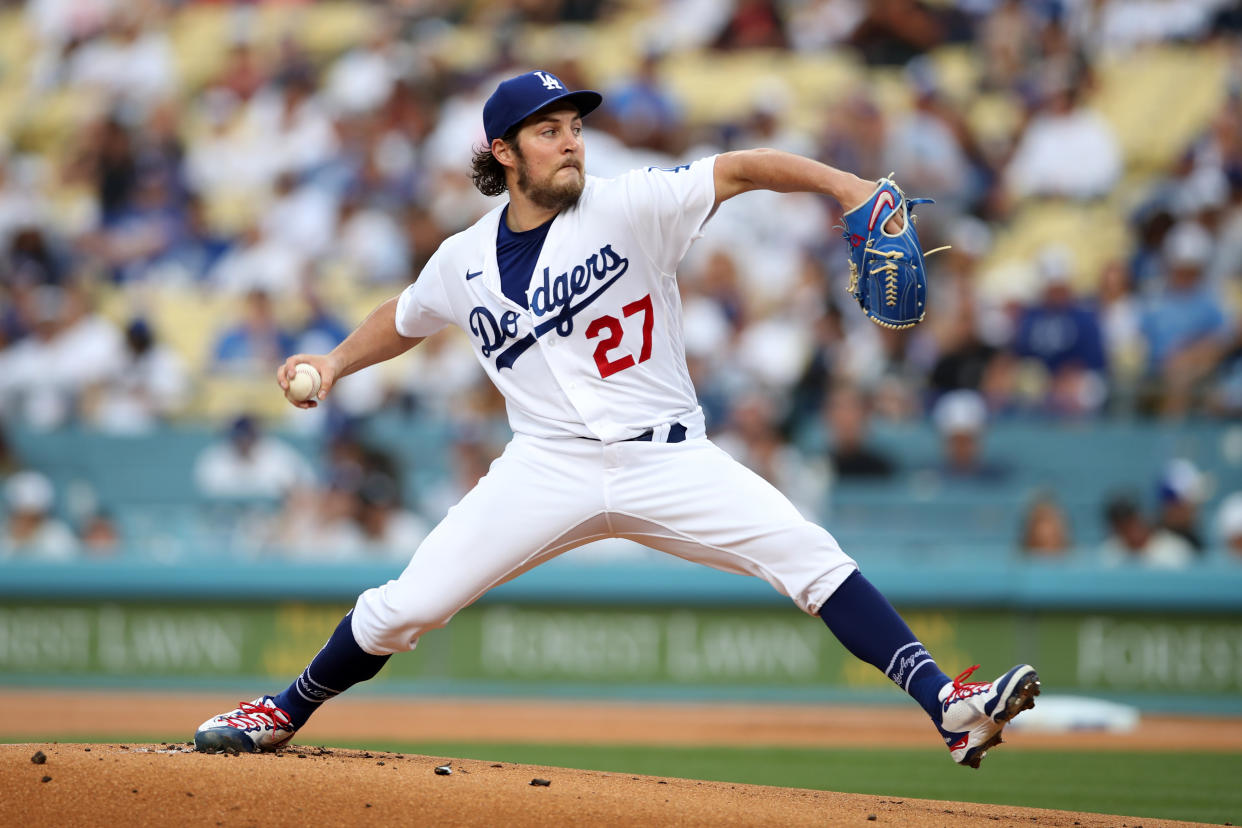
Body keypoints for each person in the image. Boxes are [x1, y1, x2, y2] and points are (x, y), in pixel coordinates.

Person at [193, 70, 1039, 768]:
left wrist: (848, 186)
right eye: (547, 128)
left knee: (809, 557)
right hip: (545, 468)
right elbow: (406, 315)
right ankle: (283, 711)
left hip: (670, 458)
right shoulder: (462, 260)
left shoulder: (634, 204)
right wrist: (336, 362)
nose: (570, 139)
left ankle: (949, 704)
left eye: (573, 125)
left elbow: (740, 169)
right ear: (503, 151)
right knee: (402, 609)